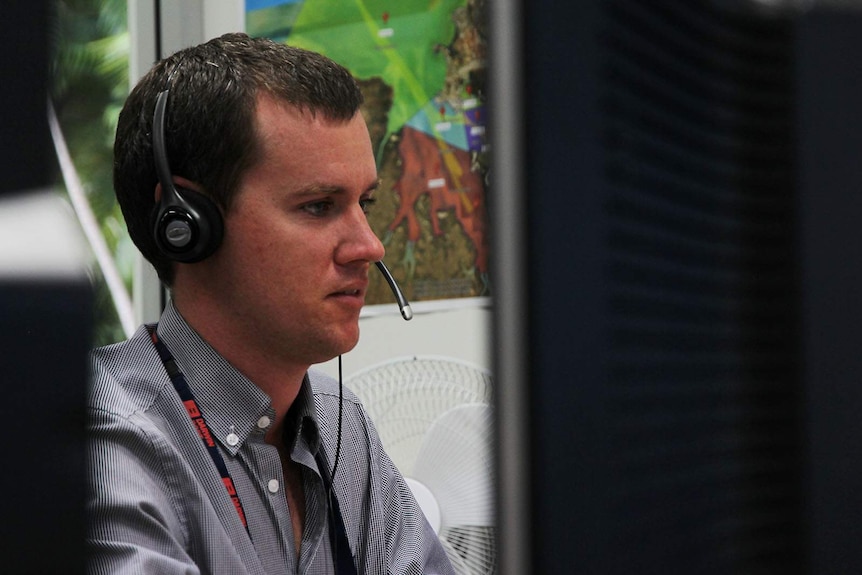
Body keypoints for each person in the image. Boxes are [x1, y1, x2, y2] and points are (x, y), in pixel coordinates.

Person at [88, 32, 455, 574]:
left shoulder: (341, 425)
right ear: (187, 224)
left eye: (366, 202)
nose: (369, 246)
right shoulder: (105, 440)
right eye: (318, 206)